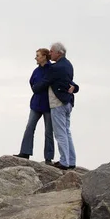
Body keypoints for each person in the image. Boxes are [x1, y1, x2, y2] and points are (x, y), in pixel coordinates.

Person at [31, 42, 78, 170]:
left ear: (59, 53)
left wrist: (35, 88)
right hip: (68, 102)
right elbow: (69, 82)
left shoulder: (55, 67)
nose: (50, 53)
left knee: (60, 133)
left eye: (51, 51)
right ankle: (71, 160)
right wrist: (76, 88)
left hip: (58, 103)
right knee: (67, 132)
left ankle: (64, 162)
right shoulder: (68, 65)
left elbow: (46, 81)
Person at [14, 48, 55, 163]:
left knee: (48, 131)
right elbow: (32, 83)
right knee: (29, 127)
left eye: (38, 55)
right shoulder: (36, 71)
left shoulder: (52, 69)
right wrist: (38, 87)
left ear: (44, 57)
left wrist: (40, 87)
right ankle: (25, 152)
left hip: (49, 105)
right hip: (36, 103)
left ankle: (48, 157)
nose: (36, 58)